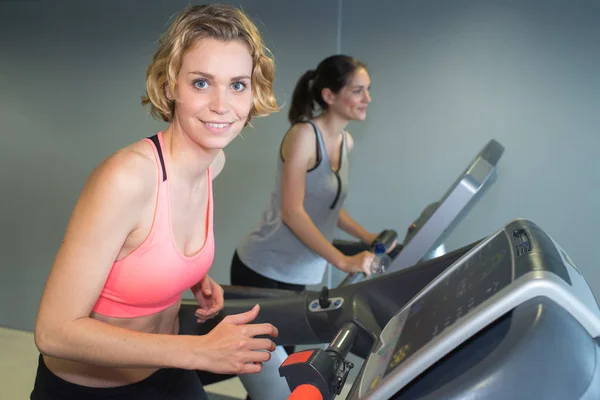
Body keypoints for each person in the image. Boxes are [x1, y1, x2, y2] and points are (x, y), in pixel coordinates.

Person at [30, 4, 280, 400]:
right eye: (201, 83)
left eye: (237, 85)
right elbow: (52, 331)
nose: (221, 104)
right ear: (170, 86)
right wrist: (199, 350)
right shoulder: (126, 179)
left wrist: (192, 275)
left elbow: (144, 247)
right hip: (90, 390)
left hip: (167, 371)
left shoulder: (214, 163)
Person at [231, 55, 395, 357]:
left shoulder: (346, 143)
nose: (367, 98)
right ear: (329, 96)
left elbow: (328, 207)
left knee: (279, 371)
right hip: (264, 269)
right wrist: (343, 261)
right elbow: (293, 212)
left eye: (368, 90)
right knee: (266, 371)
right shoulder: (304, 135)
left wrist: (368, 236)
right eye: (358, 90)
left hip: (299, 273)